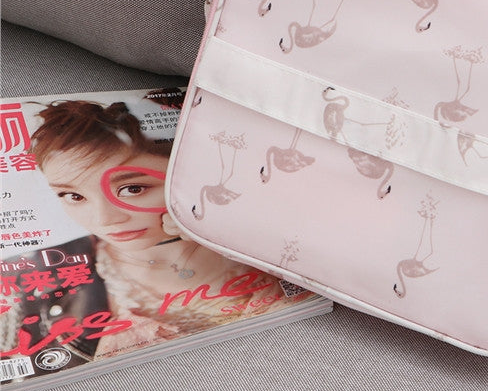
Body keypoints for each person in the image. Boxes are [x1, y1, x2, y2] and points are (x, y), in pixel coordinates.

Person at [28, 99, 294, 359]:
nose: (105, 219)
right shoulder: (39, 281)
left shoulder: (267, 227)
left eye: (133, 189)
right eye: (74, 196)